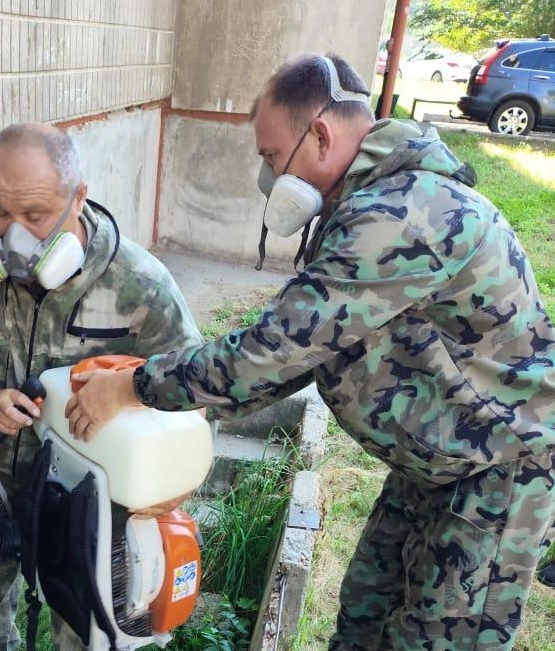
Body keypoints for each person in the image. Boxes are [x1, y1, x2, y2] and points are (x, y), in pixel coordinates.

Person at [65, 54, 555, 651]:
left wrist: (134, 387)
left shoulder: (399, 214)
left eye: (271, 157)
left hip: (494, 471)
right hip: (431, 467)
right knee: (363, 618)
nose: (268, 178)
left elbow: (274, 350)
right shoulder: (363, 203)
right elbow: (304, 353)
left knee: (438, 640)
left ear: (320, 134)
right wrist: (183, 405)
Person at [0, 122, 203, 651]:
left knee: (85, 638)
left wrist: (128, 398)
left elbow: (195, 400)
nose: (13, 235)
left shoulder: (141, 286)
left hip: (89, 511)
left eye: (36, 216)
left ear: (79, 198)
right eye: (0, 212)